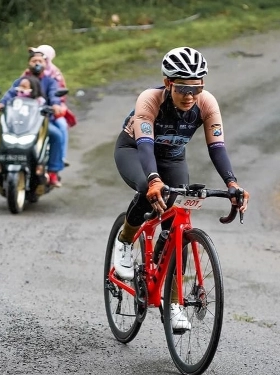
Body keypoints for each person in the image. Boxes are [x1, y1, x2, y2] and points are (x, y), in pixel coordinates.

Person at [112, 46, 250, 330]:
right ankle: (125, 239)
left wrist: (232, 183)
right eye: (183, 89)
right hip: (135, 151)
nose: (190, 96)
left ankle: (174, 303)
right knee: (146, 189)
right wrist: (153, 180)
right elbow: (145, 144)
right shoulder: (150, 99)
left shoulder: (207, 103)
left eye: (196, 88)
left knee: (178, 229)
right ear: (168, 83)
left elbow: (218, 147)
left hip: (174, 158)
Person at [0, 50, 65, 187]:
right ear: (28, 63)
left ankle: (53, 172)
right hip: (18, 121)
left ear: (45, 63)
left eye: (40, 61)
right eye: (34, 61)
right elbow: (10, 95)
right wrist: (1, 104)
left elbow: (54, 96)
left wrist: (55, 105)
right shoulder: (21, 80)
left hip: (40, 120)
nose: (37, 63)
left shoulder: (50, 81)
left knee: (56, 135)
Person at [27, 45, 77, 168]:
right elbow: (17, 90)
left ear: (46, 59)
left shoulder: (54, 75)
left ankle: (60, 158)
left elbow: (57, 93)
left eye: (40, 58)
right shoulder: (28, 73)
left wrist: (56, 105)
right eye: (34, 58)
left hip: (51, 110)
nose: (37, 61)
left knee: (61, 126)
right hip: (30, 110)